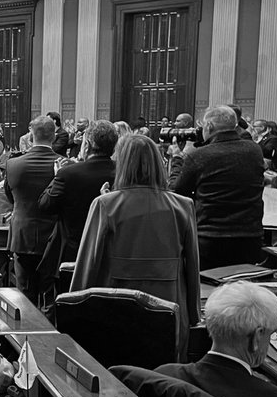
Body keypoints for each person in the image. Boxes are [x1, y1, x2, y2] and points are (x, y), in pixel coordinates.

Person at [71, 134, 201, 341]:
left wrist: (73, 307)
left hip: (116, 302)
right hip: (170, 304)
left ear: (122, 163)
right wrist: (194, 314)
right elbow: (192, 264)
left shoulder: (105, 204)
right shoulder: (183, 205)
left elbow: (88, 262)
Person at [169, 105, 265, 269]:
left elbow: (176, 190)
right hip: (250, 237)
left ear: (209, 126)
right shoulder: (254, 150)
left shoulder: (199, 155)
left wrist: (179, 158)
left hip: (211, 238)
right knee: (241, 288)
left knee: (208, 290)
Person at [38, 120, 118, 263]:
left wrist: (57, 176)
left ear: (86, 145)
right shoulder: (122, 172)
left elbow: (45, 205)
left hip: (74, 252)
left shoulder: (68, 174)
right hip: (111, 252)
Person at [5, 116, 59, 306]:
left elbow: (10, 197)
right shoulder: (65, 166)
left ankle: (23, 335)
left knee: (24, 296)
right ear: (54, 135)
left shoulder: (13, 164)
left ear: (31, 135)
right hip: (54, 238)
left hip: (23, 233)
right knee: (50, 297)